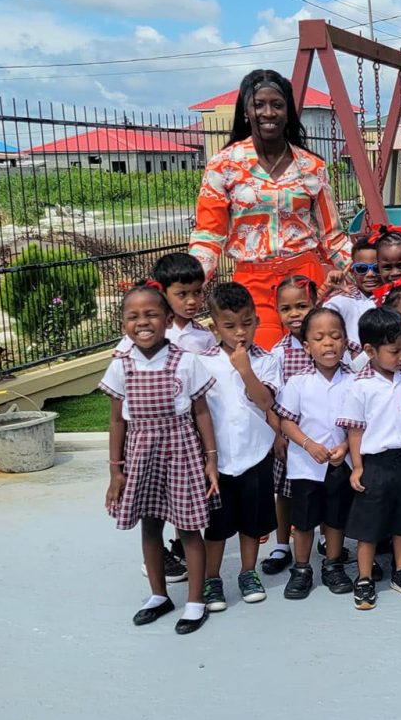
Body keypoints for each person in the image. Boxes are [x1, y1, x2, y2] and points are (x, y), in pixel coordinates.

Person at [188, 69, 351, 349]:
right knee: (262, 359)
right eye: (259, 104)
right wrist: (188, 283)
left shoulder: (312, 167)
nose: (268, 112)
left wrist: (364, 269)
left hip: (305, 281)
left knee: (314, 357)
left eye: (277, 105)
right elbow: (209, 236)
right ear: (246, 111)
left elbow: (332, 236)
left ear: (288, 111)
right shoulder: (223, 166)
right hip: (252, 282)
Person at [100, 281, 218, 635]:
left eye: (151, 314)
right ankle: (158, 595)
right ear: (123, 325)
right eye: (133, 316)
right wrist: (115, 472)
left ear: (168, 319)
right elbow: (117, 420)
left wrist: (210, 459)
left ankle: (195, 600)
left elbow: (201, 413)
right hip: (141, 453)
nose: (143, 322)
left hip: (181, 449)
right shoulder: (121, 366)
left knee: (188, 527)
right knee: (150, 524)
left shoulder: (186, 361)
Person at [116, 253, 213, 585]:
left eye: (198, 292)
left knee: (185, 497)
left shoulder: (204, 337)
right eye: (182, 294)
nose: (192, 301)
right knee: (156, 500)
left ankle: (184, 550)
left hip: (189, 430)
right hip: (149, 436)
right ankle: (159, 561)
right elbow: (122, 400)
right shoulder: (147, 336)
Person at [338, 308, 401, 610]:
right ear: (370, 350)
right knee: (369, 526)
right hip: (376, 464)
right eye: (394, 351)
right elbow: (355, 430)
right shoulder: (360, 386)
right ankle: (365, 577)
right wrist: (357, 467)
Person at [196, 283, 280, 612]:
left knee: (252, 522)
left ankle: (248, 573)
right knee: (217, 525)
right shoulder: (201, 362)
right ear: (214, 327)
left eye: (247, 322)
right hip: (217, 460)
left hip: (254, 454)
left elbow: (265, 401)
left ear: (257, 321)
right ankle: (212, 578)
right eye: (230, 326)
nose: (240, 332)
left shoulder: (266, 360)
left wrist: (245, 370)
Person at [274, 307, 356, 599]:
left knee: (335, 518)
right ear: (307, 347)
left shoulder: (355, 380)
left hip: (341, 462)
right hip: (305, 465)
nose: (328, 343)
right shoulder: (298, 382)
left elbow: (361, 422)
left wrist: (345, 446)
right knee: (305, 519)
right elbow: (286, 421)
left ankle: (333, 565)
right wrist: (308, 444)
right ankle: (302, 568)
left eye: (335, 336)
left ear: (345, 342)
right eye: (319, 338)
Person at [262, 274, 321, 577]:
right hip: (291, 436)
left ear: (316, 305)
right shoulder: (278, 353)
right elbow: (272, 401)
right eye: (286, 309)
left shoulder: (329, 343)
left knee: (324, 489)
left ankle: (325, 539)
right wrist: (278, 436)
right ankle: (282, 544)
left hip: (324, 435)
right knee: (285, 492)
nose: (295, 314)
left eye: (302, 305)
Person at [325, 235, 380, 354]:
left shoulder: (394, 298)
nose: (370, 274)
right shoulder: (340, 303)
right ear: (352, 272)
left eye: (377, 268)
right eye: (361, 268)